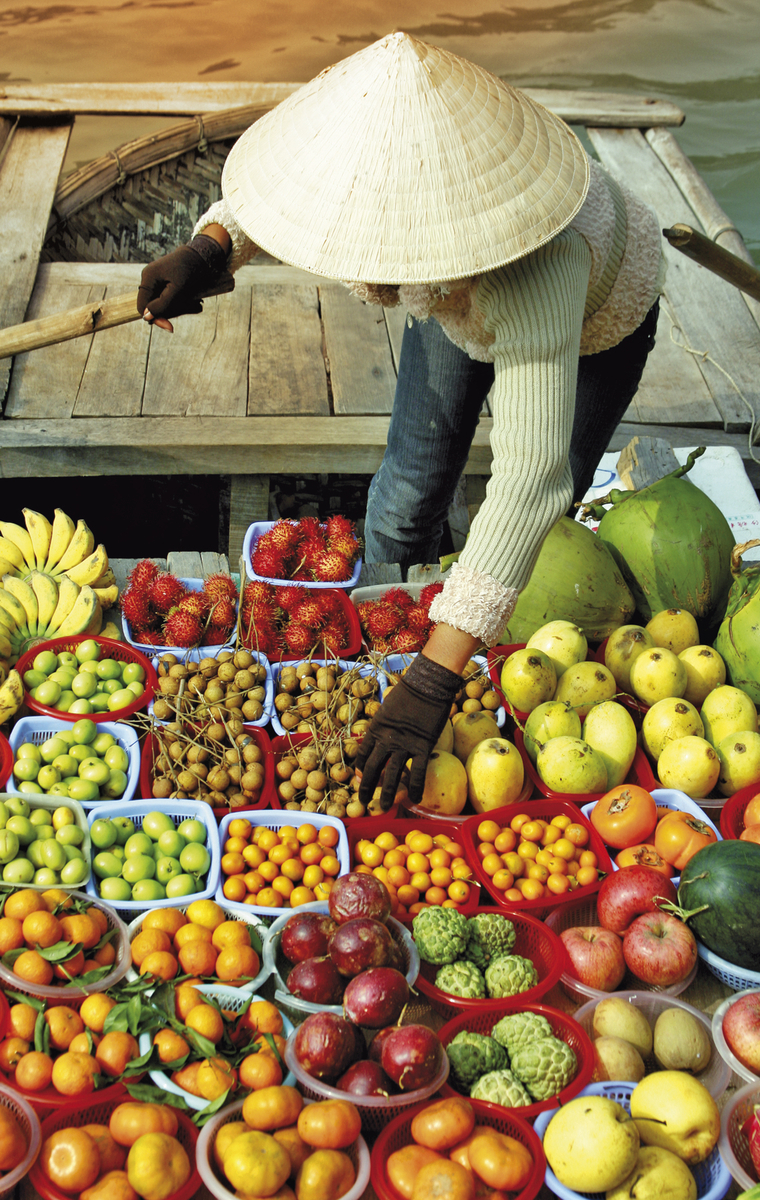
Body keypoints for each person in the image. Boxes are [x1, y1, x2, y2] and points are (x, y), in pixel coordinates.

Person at [137, 31, 665, 811]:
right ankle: (379, 635)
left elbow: (530, 477)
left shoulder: (539, 267)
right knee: (412, 477)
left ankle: (453, 634)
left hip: (592, 319)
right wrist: (214, 246)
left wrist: (432, 680)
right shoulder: (391, 172)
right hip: (457, 297)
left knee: (542, 512)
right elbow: (297, 188)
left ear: (428, 239)